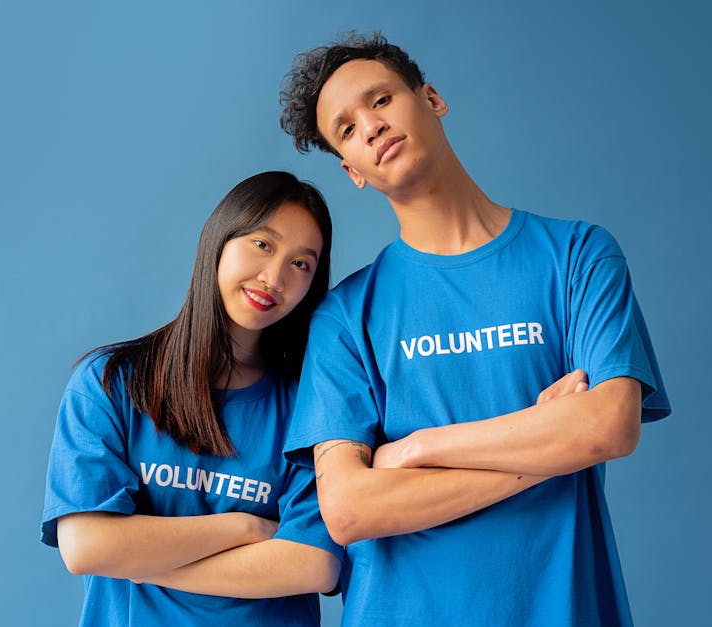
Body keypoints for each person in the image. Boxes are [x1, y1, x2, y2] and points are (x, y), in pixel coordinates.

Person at [278, 33, 671, 626]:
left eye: (380, 100)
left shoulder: (578, 256)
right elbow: (351, 509)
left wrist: (417, 449)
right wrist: (546, 439)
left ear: (431, 97)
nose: (372, 127)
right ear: (352, 171)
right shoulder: (344, 315)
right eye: (349, 130)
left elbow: (608, 426)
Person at [40, 171, 342, 626]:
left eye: (301, 263)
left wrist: (142, 559)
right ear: (218, 241)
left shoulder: (310, 403)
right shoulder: (111, 382)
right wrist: (245, 527)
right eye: (263, 244)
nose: (274, 276)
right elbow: (86, 546)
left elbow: (313, 564)